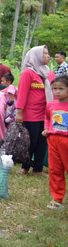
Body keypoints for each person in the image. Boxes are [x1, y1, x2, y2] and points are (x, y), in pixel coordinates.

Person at [16, 45, 55, 176]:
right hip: (30, 115)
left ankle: (38, 169)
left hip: (45, 115)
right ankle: (25, 167)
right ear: (36, 56)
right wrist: (19, 112)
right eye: (44, 53)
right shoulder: (28, 73)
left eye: (48, 53)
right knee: (30, 141)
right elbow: (22, 94)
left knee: (42, 142)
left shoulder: (48, 73)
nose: (48, 56)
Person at [43, 75, 68, 209]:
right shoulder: (51, 104)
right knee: (55, 170)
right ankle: (57, 198)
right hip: (53, 141)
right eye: (55, 89)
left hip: (66, 141)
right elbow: (47, 118)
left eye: (61, 89)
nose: (57, 92)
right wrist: (46, 128)